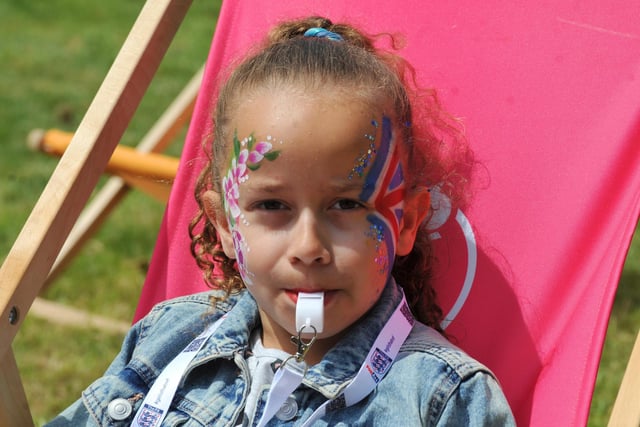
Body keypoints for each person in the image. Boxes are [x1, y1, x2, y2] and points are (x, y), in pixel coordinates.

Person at [48, 16, 515, 426]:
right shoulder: (168, 337)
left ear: (407, 223)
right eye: (273, 207)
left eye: (347, 205)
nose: (309, 245)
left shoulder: (439, 398)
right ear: (226, 226)